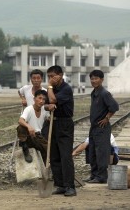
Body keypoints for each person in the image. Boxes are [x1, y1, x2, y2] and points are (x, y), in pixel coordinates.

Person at [46, 65, 76, 197]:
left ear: (60, 75)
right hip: (53, 122)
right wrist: (49, 106)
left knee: (65, 156)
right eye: (49, 77)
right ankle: (61, 185)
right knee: (54, 156)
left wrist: (49, 88)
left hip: (64, 123)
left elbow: (52, 99)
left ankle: (70, 186)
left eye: (53, 76)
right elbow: (47, 104)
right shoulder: (53, 89)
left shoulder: (66, 89)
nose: (51, 79)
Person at [85, 70, 119, 184]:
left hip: (102, 128)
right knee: (92, 151)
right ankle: (94, 175)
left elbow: (114, 107)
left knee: (101, 152)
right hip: (93, 127)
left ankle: (102, 177)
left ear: (102, 79)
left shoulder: (104, 93)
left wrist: (107, 118)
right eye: (92, 79)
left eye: (96, 78)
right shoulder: (94, 92)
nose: (94, 81)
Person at [17, 90, 49, 163]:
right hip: (28, 136)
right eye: (39, 98)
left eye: (44, 99)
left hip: (38, 136)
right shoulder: (29, 109)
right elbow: (20, 120)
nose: (41, 101)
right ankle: (25, 149)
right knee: (21, 127)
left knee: (48, 150)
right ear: (34, 99)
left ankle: (42, 167)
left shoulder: (44, 110)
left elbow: (49, 118)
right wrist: (29, 126)